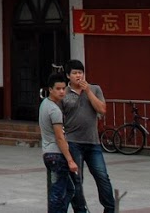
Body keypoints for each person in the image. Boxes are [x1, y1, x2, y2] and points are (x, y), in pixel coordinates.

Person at [61, 59, 117, 213]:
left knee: (102, 176)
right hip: (73, 142)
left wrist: (88, 91)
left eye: (81, 72)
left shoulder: (94, 88)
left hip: (93, 142)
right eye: (75, 73)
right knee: (76, 180)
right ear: (68, 76)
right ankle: (81, 210)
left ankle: (110, 208)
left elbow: (102, 109)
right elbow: (58, 117)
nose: (78, 75)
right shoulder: (64, 93)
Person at [39, 72, 80, 213]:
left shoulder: (44, 103)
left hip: (47, 153)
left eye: (63, 88)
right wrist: (70, 160)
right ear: (50, 89)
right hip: (56, 155)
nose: (62, 91)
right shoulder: (54, 110)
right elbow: (60, 137)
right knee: (59, 192)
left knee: (69, 189)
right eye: (58, 89)